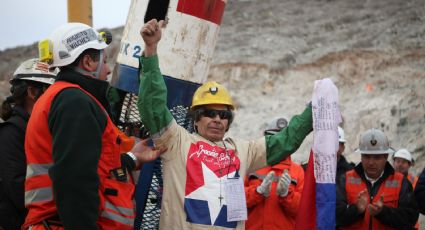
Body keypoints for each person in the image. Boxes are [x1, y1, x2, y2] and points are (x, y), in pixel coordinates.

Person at [138, 19, 313, 229]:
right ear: (196, 117)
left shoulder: (243, 150)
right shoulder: (176, 141)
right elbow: (153, 106)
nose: (217, 119)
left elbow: (286, 140)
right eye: (209, 113)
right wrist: (151, 49)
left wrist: (312, 112)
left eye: (223, 115)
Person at [23, 23, 166, 229]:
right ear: (88, 62)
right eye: (105, 61)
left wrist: (132, 157)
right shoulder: (74, 102)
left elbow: (95, 169)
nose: (108, 70)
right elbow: (75, 180)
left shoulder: (63, 98)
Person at [0, 58, 57, 230]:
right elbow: (19, 191)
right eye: (52, 92)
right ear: (32, 92)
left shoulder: (42, 130)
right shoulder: (11, 133)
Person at [336, 128, 419, 230]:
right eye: (367, 156)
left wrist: (383, 212)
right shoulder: (345, 179)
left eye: (377, 157)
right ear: (361, 156)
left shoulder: (401, 182)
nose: (371, 162)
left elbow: (410, 219)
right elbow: (336, 217)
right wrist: (356, 210)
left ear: (386, 157)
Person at [244, 117, 304, 230]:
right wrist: (257, 192)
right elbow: (235, 202)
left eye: (283, 140)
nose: (279, 144)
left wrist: (287, 195)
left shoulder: (298, 171)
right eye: (275, 139)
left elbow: (303, 210)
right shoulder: (251, 165)